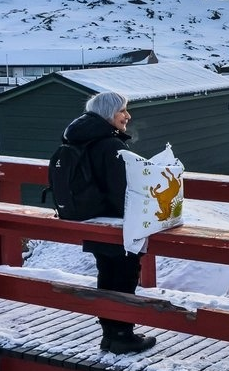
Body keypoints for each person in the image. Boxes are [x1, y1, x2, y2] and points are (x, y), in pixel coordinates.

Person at [62, 91, 157, 355]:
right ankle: (122, 336)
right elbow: (123, 192)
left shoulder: (79, 139)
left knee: (106, 275)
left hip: (92, 220)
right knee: (125, 277)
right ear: (108, 114)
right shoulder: (111, 146)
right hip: (118, 226)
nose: (127, 115)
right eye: (122, 111)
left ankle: (110, 334)